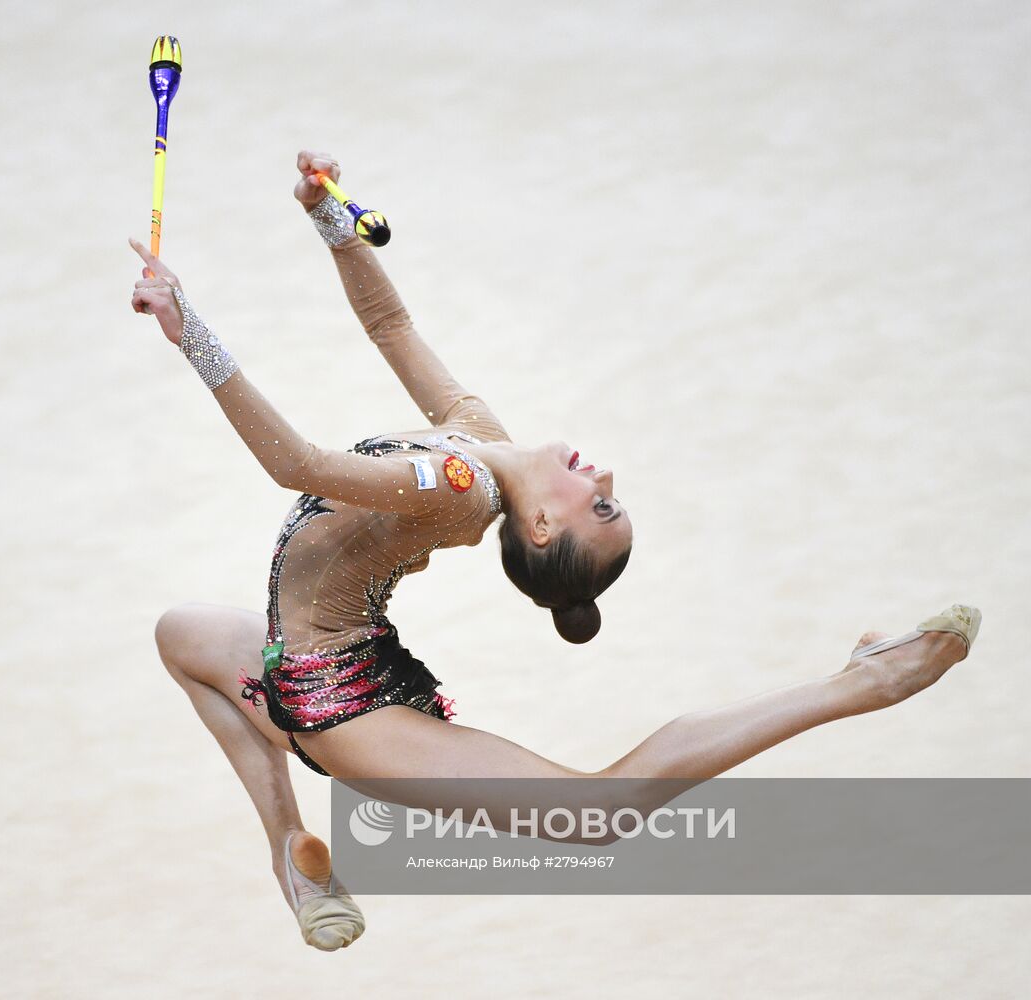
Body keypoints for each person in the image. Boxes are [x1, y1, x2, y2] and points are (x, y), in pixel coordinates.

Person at [131, 151, 980, 952]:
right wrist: (331, 221)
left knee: (596, 811)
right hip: (302, 658)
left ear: (542, 530)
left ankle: (867, 680)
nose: (602, 472)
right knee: (183, 633)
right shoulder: (480, 435)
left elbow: (298, 465)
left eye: (600, 504)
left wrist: (189, 330)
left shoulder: (460, 482)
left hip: (347, 712)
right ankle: (293, 855)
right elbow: (391, 323)